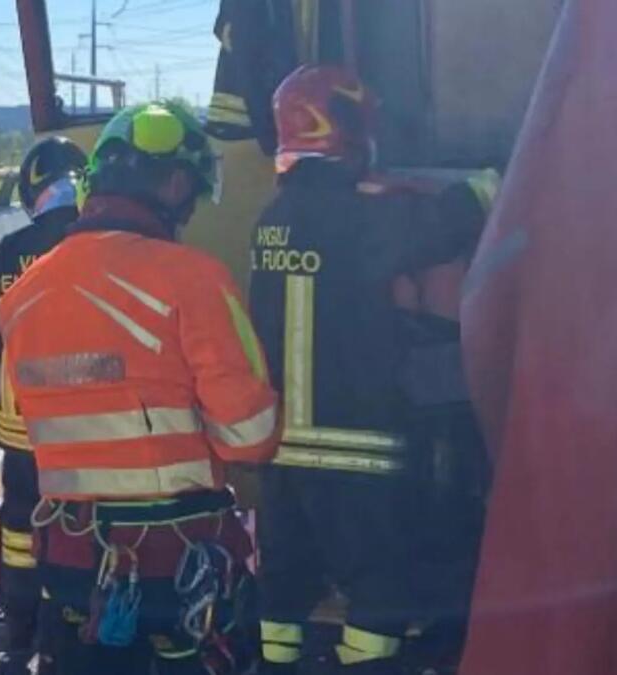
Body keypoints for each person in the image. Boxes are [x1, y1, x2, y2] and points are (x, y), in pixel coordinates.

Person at [0, 101, 280, 675]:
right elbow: (249, 438)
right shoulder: (194, 278)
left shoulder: (22, 293)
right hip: (176, 563)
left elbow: (23, 426)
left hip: (73, 565)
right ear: (176, 184)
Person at [248, 65, 486, 674]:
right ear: (347, 130)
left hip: (278, 453)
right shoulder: (362, 220)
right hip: (358, 449)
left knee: (282, 592)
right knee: (381, 590)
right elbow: (444, 224)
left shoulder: (270, 221)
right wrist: (491, 184)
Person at [0, 135, 87, 671]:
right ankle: (71, 618)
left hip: (22, 418)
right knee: (81, 517)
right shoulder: (99, 246)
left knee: (19, 516)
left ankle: (18, 614)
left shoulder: (5, 254)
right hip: (89, 421)